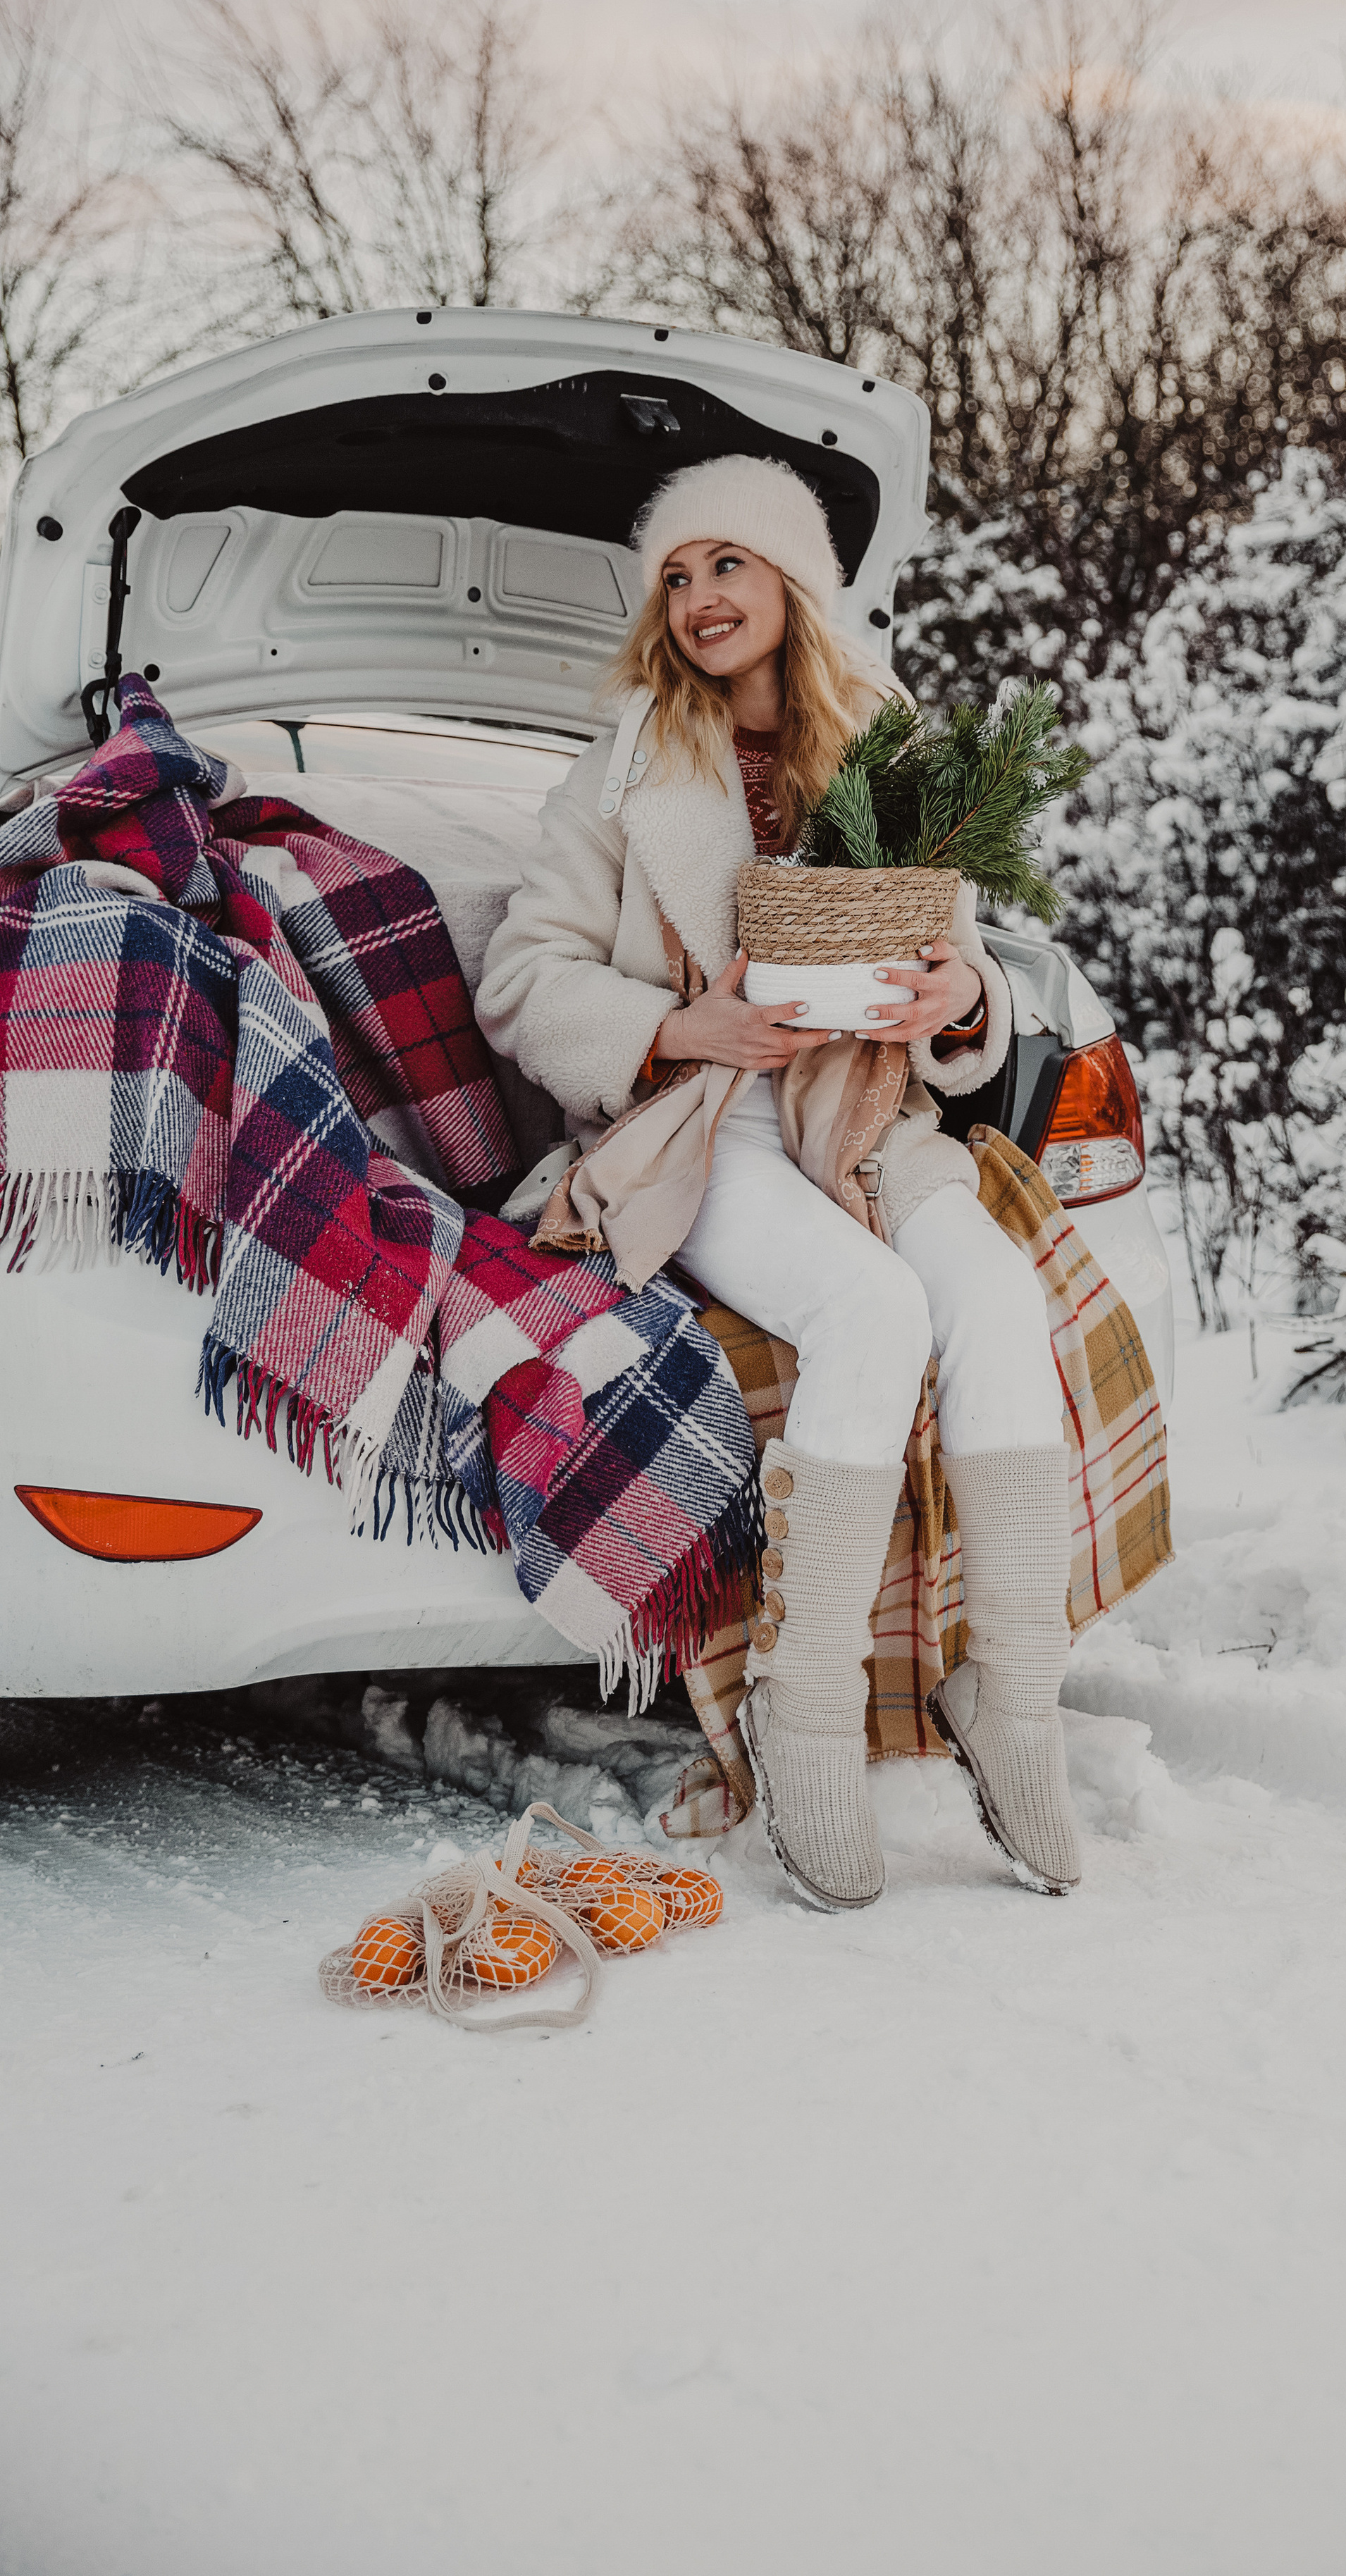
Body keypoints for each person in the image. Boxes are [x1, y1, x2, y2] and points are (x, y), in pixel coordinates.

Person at [477, 455, 1078, 1912]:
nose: (698, 597)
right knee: (872, 1310)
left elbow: (960, 966)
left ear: (793, 581)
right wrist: (686, 1027)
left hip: (863, 1114)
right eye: (677, 576)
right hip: (711, 1125)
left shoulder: (882, 742)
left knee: (998, 1298)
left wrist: (957, 997)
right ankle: (802, 1713)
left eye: (727, 564)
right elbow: (523, 979)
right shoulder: (624, 765)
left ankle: (1011, 1693)